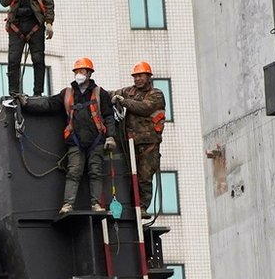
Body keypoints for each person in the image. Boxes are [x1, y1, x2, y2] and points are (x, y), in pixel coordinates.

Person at [21, 57, 116, 214]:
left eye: (82, 71)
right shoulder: (67, 93)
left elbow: (109, 116)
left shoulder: (100, 93)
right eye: (76, 71)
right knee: (73, 172)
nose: (79, 74)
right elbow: (48, 104)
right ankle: (68, 204)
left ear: (89, 73)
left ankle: (96, 204)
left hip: (96, 140)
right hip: (75, 140)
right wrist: (27, 103)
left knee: (96, 172)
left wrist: (111, 136)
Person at [110, 61, 166, 219]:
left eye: (140, 76)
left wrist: (123, 101)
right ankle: (130, 204)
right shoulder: (130, 91)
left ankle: (142, 207)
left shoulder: (156, 94)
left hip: (149, 143)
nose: (137, 79)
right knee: (129, 174)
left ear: (148, 77)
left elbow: (144, 108)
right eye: (135, 76)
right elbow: (111, 94)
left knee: (144, 176)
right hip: (130, 142)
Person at [0, 0, 55, 97]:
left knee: (38, 60)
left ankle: (38, 93)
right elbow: (4, 1)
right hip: (16, 26)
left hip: (35, 25)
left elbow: (48, 2)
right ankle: (14, 93)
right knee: (13, 61)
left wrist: (49, 22)